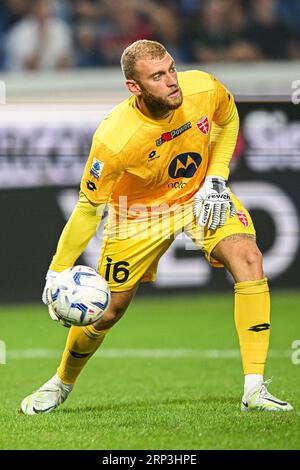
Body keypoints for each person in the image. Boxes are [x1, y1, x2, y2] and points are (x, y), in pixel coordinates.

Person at [21, 39, 292, 415]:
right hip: (137, 215)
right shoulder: (115, 139)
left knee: (248, 257)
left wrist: (216, 178)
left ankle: (255, 388)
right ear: (135, 87)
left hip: (198, 196)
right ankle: (60, 384)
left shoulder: (202, 87)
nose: (172, 82)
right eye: (158, 76)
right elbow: (88, 209)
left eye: (171, 69)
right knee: (109, 310)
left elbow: (228, 120)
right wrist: (56, 271)